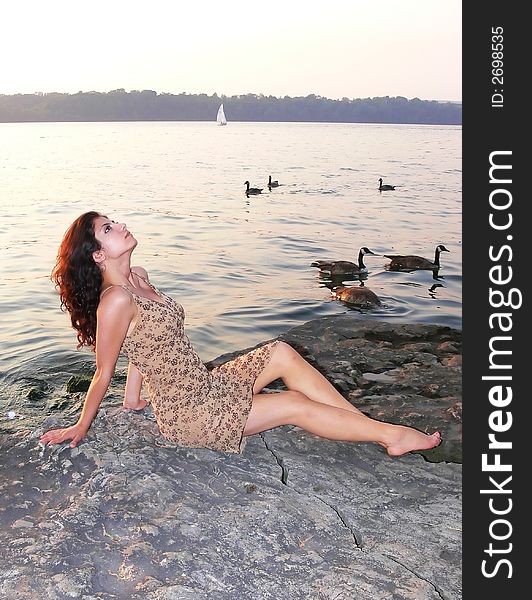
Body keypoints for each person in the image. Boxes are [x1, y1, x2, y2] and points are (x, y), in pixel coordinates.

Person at [40, 211, 442, 456]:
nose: (121, 225)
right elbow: (103, 370)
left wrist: (132, 400)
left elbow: (144, 346)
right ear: (97, 254)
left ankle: (357, 424)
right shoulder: (114, 301)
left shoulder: (140, 277)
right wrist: (81, 426)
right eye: (109, 228)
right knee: (292, 404)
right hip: (191, 414)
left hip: (206, 385)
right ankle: (393, 436)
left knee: (281, 352)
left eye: (115, 220)